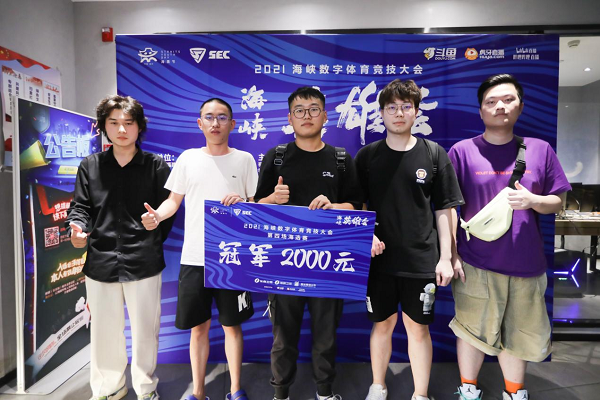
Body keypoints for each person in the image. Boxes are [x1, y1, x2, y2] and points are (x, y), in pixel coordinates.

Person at [449, 74, 571, 400]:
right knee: (471, 330)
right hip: (475, 262)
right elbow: (447, 208)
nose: (500, 106)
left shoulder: (540, 150)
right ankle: (468, 391)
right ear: (481, 111)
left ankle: (514, 393)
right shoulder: (462, 152)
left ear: (520, 106)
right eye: (491, 102)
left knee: (518, 334)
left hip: (526, 263)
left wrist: (533, 200)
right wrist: (451, 255)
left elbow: (558, 201)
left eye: (508, 100)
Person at [354, 79, 464, 400]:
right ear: (381, 113)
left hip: (421, 259)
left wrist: (446, 257)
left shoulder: (433, 153)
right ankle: (378, 385)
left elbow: (445, 209)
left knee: (418, 328)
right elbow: (357, 206)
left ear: (416, 111)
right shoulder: (367, 156)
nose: (399, 113)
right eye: (391, 107)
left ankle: (420, 393)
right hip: (379, 260)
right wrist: (367, 235)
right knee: (382, 324)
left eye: (405, 106)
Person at [141, 98, 256, 400]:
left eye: (222, 117)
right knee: (198, 328)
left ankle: (235, 389)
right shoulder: (188, 159)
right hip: (194, 258)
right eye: (209, 117)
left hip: (232, 257)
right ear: (199, 123)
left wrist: (244, 203)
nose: (215, 123)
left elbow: (256, 206)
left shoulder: (245, 160)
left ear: (232, 123)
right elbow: (173, 201)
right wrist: (157, 216)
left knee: (232, 326)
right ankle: (199, 392)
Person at [254, 86, 363, 400]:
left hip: (328, 262)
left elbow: (357, 205)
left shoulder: (341, 159)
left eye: (314, 109)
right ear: (290, 118)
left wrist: (334, 206)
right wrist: (272, 199)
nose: (307, 116)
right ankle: (280, 393)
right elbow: (256, 207)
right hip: (284, 262)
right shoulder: (276, 157)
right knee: (282, 338)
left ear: (325, 116)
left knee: (326, 337)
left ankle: (324, 392)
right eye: (299, 111)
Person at [66, 95, 173, 400]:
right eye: (113, 123)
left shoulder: (155, 165)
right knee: (104, 330)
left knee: (145, 330)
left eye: (129, 123)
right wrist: (77, 229)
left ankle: (145, 388)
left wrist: (154, 224)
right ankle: (109, 387)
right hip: (101, 259)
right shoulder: (90, 166)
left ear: (140, 127)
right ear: (104, 127)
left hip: (143, 259)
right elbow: (80, 207)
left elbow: (168, 207)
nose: (122, 129)